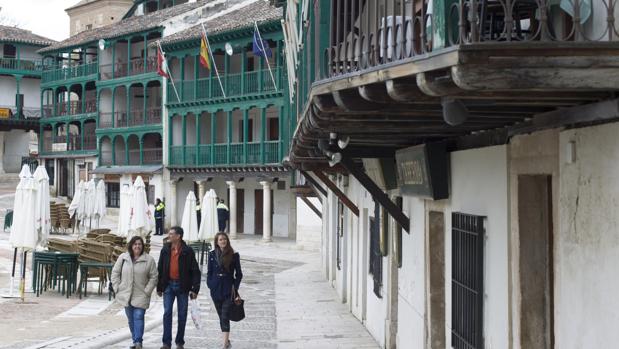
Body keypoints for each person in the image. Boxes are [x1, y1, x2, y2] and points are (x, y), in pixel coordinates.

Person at [157, 226, 201, 349]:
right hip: (168, 286)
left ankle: (179, 342)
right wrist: (159, 287)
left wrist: (195, 288)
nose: (169, 236)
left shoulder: (188, 251)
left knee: (182, 315)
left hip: (183, 286)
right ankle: (166, 343)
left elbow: (195, 271)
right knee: (167, 313)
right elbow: (160, 269)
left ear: (178, 236)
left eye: (171, 234)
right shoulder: (165, 250)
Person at [111, 236, 158, 349]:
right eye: (135, 244)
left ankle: (138, 342)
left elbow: (154, 277)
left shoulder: (149, 260)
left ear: (142, 246)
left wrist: (147, 291)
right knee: (131, 319)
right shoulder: (123, 258)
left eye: (139, 244)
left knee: (138, 316)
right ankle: (135, 340)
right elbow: (115, 273)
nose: (137, 246)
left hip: (141, 294)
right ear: (131, 245)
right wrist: (117, 287)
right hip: (126, 294)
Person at [207, 232, 243, 349]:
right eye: (220, 240)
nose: (223, 241)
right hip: (215, 289)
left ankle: (224, 345)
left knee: (225, 316)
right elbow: (209, 272)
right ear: (217, 242)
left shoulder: (234, 255)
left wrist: (235, 286)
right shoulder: (212, 254)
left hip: (229, 289)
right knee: (220, 315)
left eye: (224, 239)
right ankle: (227, 341)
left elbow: (239, 274)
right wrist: (210, 284)